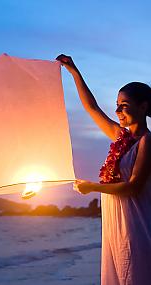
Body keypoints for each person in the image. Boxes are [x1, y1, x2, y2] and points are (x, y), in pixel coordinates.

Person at [57, 54, 151, 285]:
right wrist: (74, 72)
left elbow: (133, 187)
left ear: (143, 106)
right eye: (117, 105)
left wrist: (92, 187)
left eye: (124, 106)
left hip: (135, 224)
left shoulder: (147, 141)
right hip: (115, 225)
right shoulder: (121, 137)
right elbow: (92, 108)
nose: (118, 111)